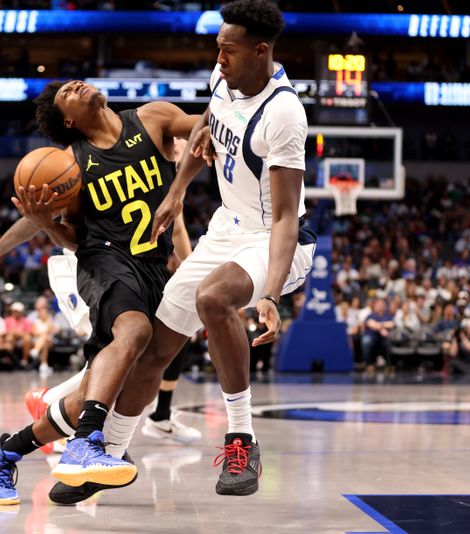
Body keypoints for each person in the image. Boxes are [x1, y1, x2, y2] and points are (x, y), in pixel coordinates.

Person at [0, 78, 199, 505]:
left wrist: (234, 119)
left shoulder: (153, 117)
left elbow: (203, 124)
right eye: (68, 91)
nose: (78, 85)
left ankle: (5, 451)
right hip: (103, 259)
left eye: (76, 82)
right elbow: (62, 232)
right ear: (68, 118)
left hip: (153, 267)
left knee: (97, 390)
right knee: (135, 331)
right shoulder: (69, 162)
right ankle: (86, 445)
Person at [109, 0, 315, 496]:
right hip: (225, 228)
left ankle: (241, 439)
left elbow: (287, 217)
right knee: (157, 347)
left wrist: (270, 293)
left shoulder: (284, 114)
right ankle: (105, 455)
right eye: (218, 49)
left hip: (275, 239)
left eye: (228, 51)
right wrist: (175, 192)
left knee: (213, 297)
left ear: (260, 51)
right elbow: (204, 131)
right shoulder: (225, 80)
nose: (218, 59)